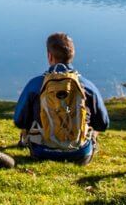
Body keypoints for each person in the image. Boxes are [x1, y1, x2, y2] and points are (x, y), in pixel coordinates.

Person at [12, 32, 109, 162]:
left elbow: (19, 121)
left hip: (42, 152)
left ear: (49, 56)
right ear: (72, 55)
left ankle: (33, 141)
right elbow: (103, 124)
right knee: (93, 128)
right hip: (80, 154)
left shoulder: (35, 84)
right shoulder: (87, 86)